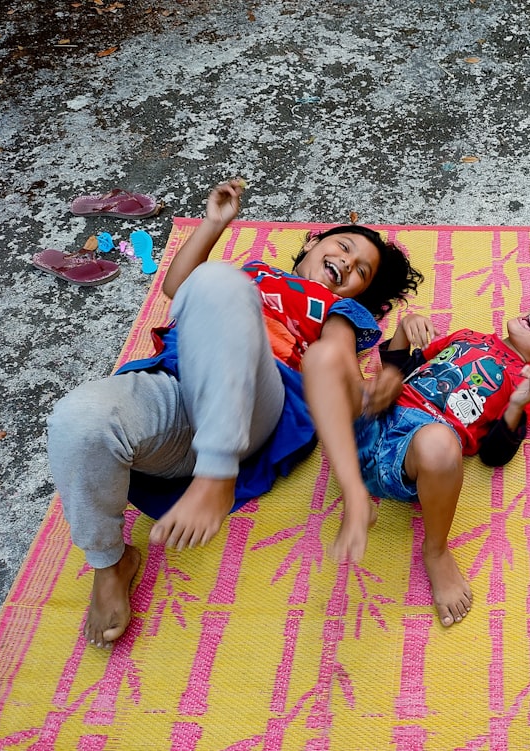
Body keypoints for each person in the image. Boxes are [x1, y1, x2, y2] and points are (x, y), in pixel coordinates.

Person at [47, 179, 423, 648]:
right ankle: (110, 561)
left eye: (360, 270)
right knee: (76, 419)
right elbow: (176, 287)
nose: (347, 262)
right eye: (343, 247)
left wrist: (377, 386)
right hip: (177, 395)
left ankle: (216, 473)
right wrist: (214, 224)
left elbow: (341, 369)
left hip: (253, 407)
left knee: (219, 281)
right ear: (311, 241)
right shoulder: (256, 271)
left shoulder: (338, 309)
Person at [305, 303, 530, 627]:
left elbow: (494, 456)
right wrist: (405, 330)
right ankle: (354, 489)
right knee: (325, 358)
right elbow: (399, 371)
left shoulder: (524, 387)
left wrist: (517, 405)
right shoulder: (467, 336)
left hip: (408, 455)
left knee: (439, 442)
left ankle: (435, 550)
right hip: (367, 423)